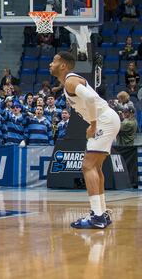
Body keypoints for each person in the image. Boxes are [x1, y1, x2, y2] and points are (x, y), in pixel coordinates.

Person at [48, 51, 120, 229]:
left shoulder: (71, 81)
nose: (50, 64)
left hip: (103, 119)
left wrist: (94, 124)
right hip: (109, 118)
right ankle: (101, 213)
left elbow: (91, 98)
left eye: (54, 61)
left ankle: (97, 217)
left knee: (87, 166)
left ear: (63, 65)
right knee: (95, 167)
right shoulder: (68, 83)